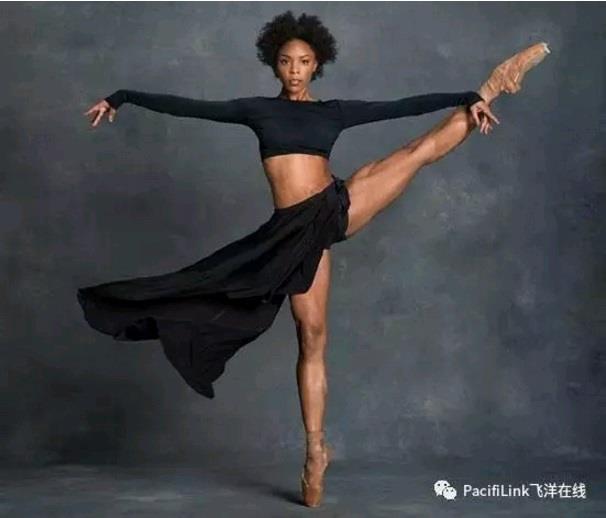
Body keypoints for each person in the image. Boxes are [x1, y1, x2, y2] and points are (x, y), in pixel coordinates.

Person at [78, 10, 550, 508]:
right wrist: (122, 96)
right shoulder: (256, 110)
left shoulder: (333, 112)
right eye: (286, 61)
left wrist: (468, 96)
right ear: (274, 64)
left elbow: (404, 106)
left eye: (304, 62)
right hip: (291, 236)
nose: (295, 70)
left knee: (414, 153)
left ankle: (493, 85)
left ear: (317, 63)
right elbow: (189, 107)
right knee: (311, 335)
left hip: (332, 209)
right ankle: (316, 450)